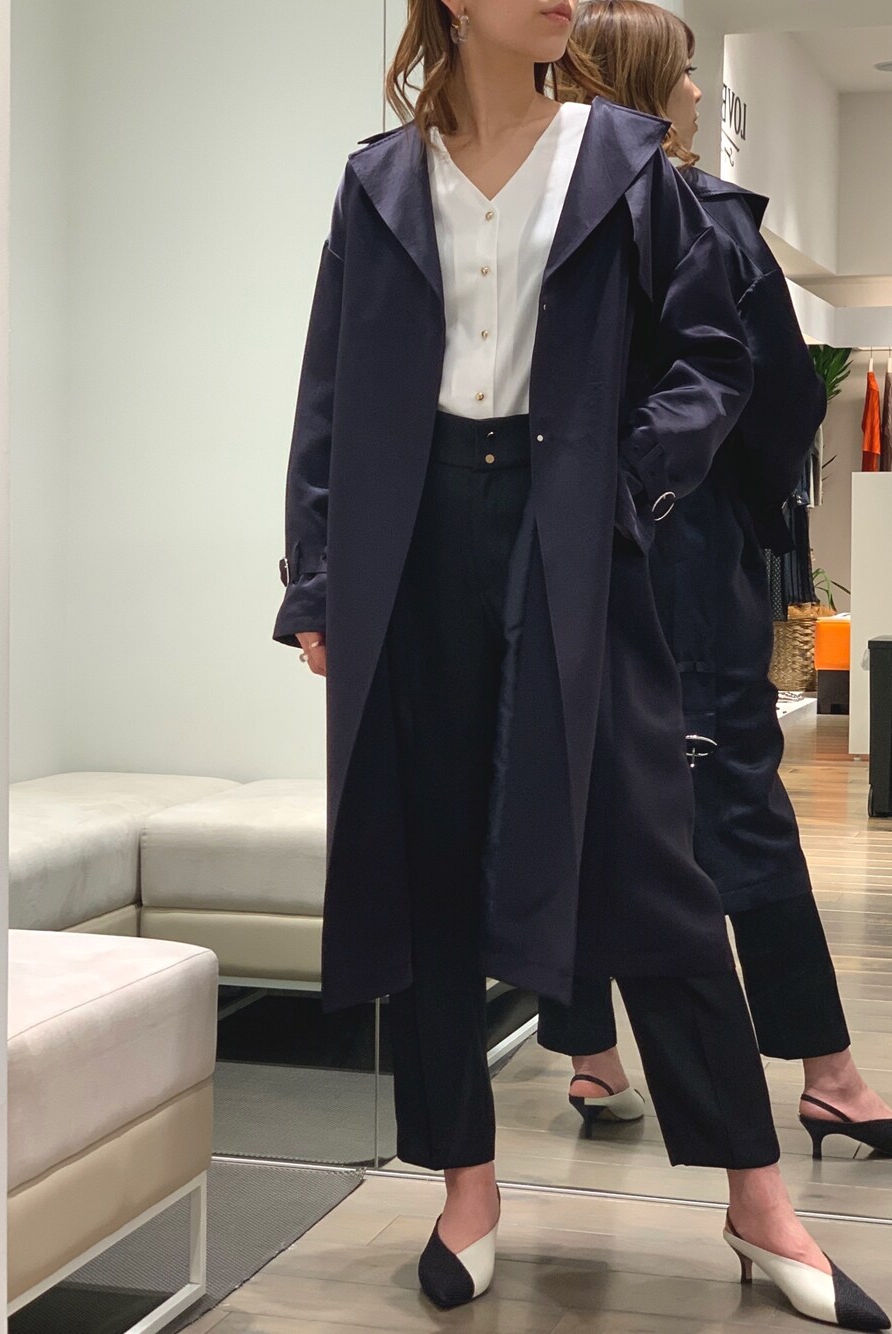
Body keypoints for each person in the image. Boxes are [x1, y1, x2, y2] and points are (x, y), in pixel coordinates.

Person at [273, 0, 888, 1326]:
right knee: (430, 858)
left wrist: (628, 484)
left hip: (570, 525)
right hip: (413, 536)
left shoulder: (618, 159)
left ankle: (757, 1194)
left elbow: (714, 356)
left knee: (647, 860)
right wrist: (317, 580)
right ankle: (466, 1183)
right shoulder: (380, 181)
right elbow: (330, 391)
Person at [539, 0, 892, 1181]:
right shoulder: (704, 218)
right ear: (646, 83)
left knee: (577, 784)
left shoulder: (542, 216)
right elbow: (776, 399)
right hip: (682, 550)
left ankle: (590, 1051)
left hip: (567, 546)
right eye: (683, 73)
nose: (698, 93)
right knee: (735, 793)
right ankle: (828, 1074)